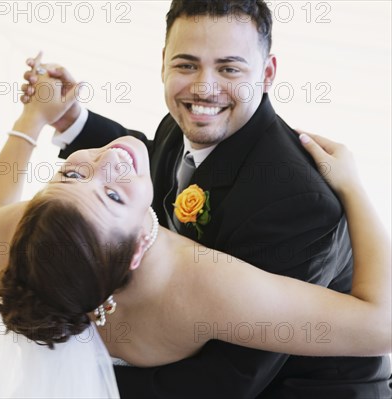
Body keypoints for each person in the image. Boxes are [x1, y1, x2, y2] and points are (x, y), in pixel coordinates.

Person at [20, 1, 392, 397]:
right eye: (186, 65)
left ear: (266, 74)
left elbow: (231, 377)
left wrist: (77, 376)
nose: (203, 88)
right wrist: (72, 121)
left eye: (229, 68)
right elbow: (150, 163)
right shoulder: (187, 120)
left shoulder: (296, 202)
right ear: (163, 62)